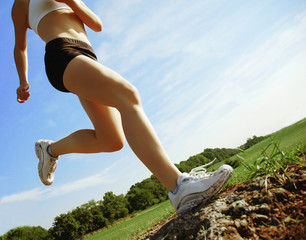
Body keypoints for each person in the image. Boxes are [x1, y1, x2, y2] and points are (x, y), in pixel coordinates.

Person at [12, 0, 233, 215]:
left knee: (111, 140)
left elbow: (96, 24)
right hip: (62, 54)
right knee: (128, 95)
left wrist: (71, 1)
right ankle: (179, 187)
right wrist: (23, 81)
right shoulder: (21, 3)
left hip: (86, 54)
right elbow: (20, 47)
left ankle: (50, 150)